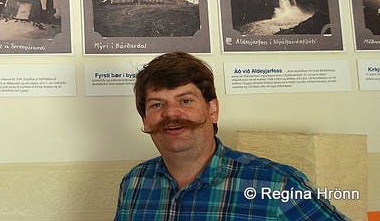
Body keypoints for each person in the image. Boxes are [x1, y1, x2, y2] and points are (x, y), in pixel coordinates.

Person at [114, 51, 349, 220]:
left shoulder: (277, 184)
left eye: (185, 101)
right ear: (145, 120)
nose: (171, 113)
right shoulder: (134, 183)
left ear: (213, 109)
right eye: (157, 105)